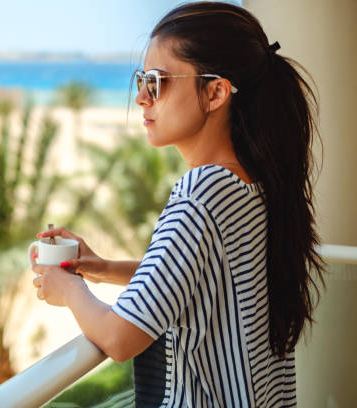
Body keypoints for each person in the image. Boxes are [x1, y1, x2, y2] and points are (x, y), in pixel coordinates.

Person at [31, 2, 326, 407]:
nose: (141, 98)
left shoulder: (201, 193)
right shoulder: (255, 182)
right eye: (141, 80)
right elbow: (204, 278)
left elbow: (119, 338)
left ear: (216, 91)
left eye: (157, 81)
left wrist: (69, 290)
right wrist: (102, 269)